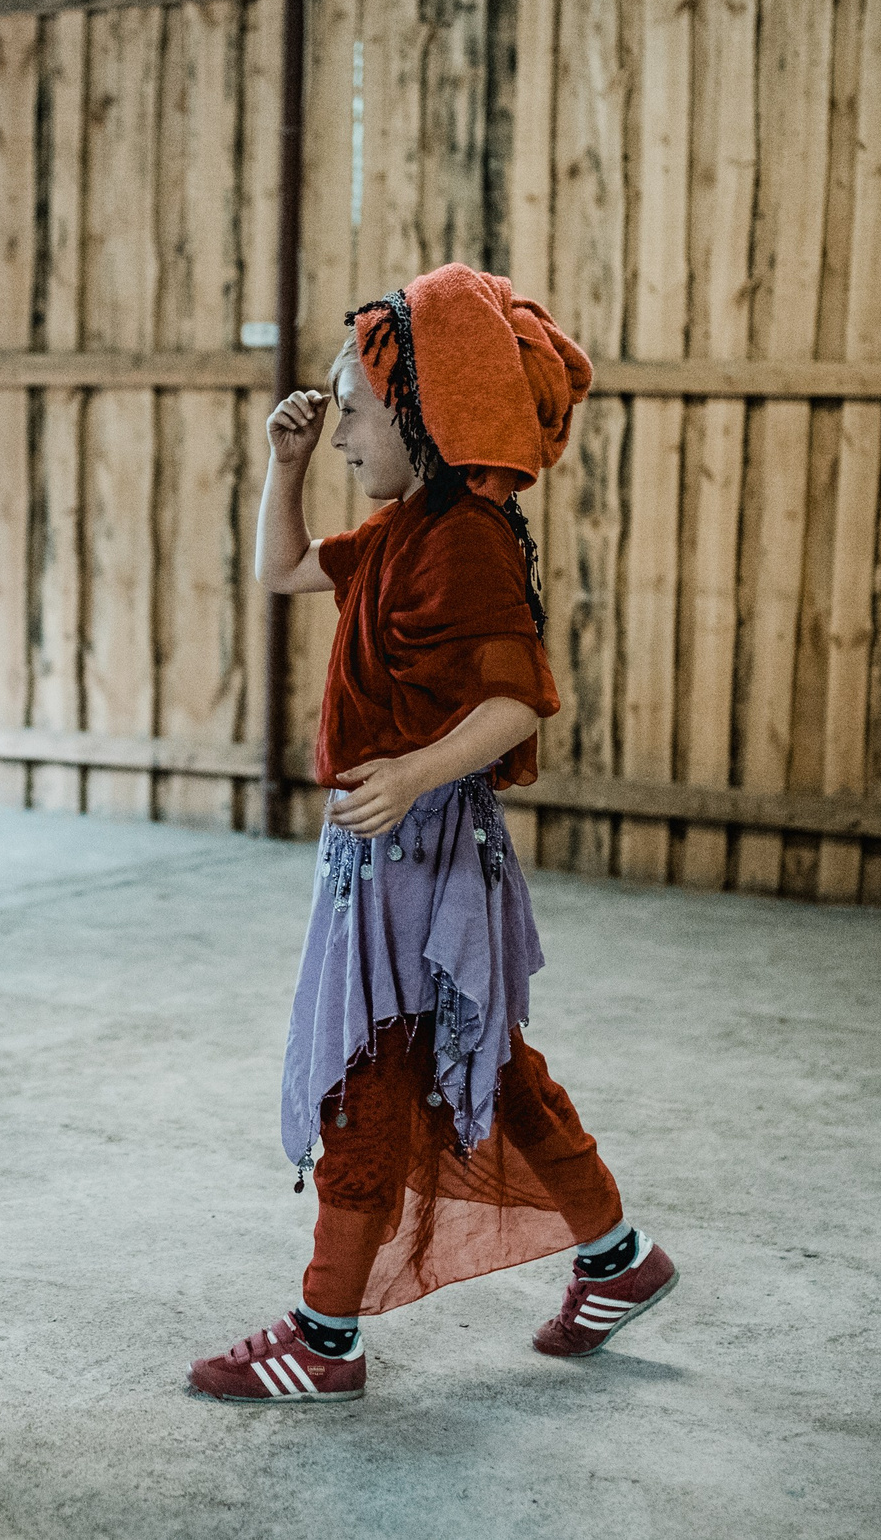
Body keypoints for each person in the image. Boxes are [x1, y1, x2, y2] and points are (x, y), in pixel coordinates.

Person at [187, 262, 675, 1405]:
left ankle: (324, 1333)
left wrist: (409, 772)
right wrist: (285, 463)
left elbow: (516, 699)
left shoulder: (466, 538)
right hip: (394, 850)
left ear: (424, 415)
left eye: (352, 411)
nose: (343, 431)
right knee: (486, 1066)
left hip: (424, 854)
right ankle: (617, 1257)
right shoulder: (407, 526)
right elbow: (282, 566)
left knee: (369, 1077)